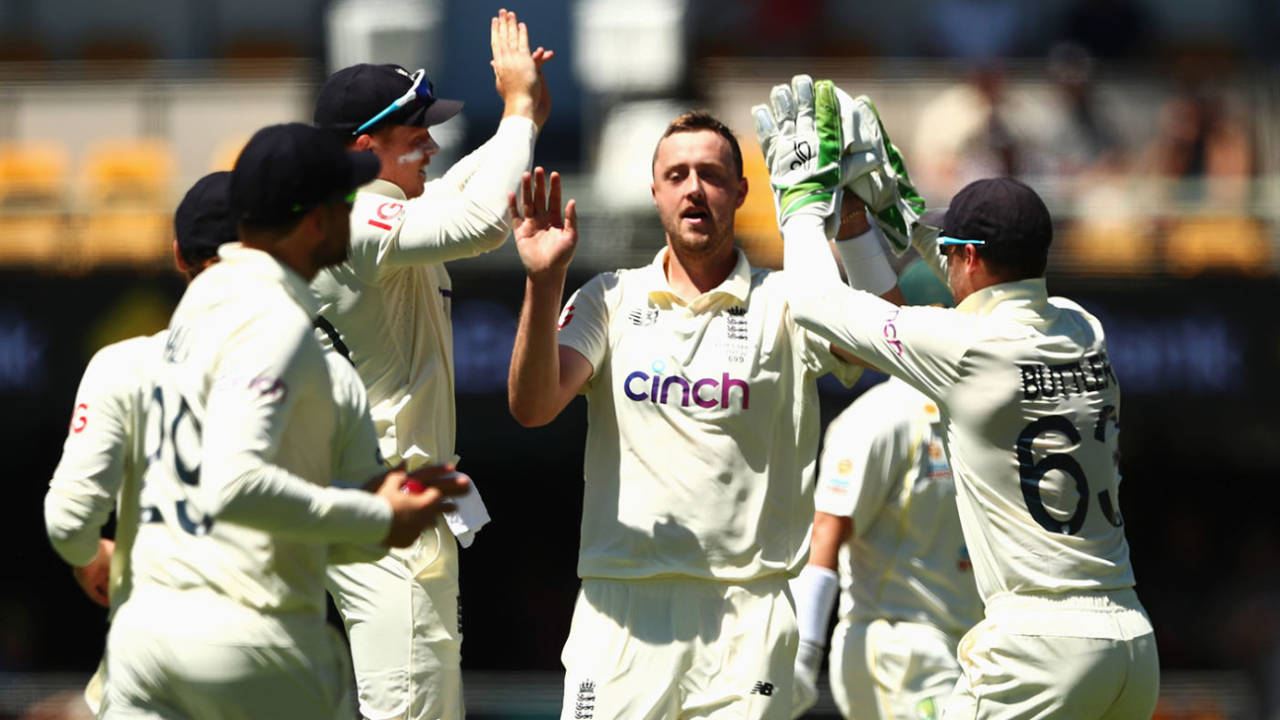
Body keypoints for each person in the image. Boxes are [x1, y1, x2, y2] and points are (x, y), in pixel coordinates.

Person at [757, 77, 1160, 719]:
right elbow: (973, 281)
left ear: (969, 257)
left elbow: (813, 302)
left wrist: (802, 199)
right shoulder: (1084, 328)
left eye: (949, 251)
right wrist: (902, 214)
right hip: (1131, 643)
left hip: (1038, 647)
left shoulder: (967, 350)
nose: (941, 262)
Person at [506, 101, 884, 718]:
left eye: (710, 175)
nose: (694, 189)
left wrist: (848, 224)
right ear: (654, 192)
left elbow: (877, 338)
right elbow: (532, 408)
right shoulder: (609, 297)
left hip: (749, 611)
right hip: (621, 607)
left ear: (740, 191)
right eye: (677, 175)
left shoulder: (788, 299)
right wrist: (544, 281)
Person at [98, 123, 470, 719]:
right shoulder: (270, 324)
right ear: (317, 222)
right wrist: (380, 515)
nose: (357, 213)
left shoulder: (191, 322)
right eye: (344, 201)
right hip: (238, 643)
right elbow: (237, 484)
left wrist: (389, 516)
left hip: (147, 639)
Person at [308, 9, 552, 719]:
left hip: (387, 511)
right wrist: (514, 113)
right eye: (412, 131)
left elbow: (469, 189)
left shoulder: (376, 211)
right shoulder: (357, 219)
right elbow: (482, 221)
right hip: (383, 518)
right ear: (360, 149)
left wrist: (525, 111)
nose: (431, 141)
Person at [789, 269, 983, 720]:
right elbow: (826, 531)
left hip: (964, 648)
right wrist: (803, 652)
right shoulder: (880, 418)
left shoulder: (971, 417)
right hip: (898, 647)